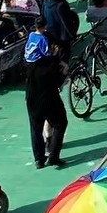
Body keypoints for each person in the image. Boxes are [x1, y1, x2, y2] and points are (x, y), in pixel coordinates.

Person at [23, 32, 69, 168]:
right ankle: (53, 156)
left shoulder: (29, 62)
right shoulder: (52, 63)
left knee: (35, 129)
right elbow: (57, 82)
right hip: (50, 99)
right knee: (60, 124)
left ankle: (39, 159)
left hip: (32, 99)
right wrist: (64, 73)